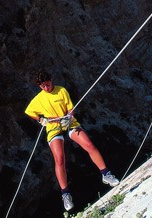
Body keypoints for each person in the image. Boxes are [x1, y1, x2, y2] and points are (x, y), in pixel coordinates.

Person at [25, 70, 120, 212]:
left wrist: (69, 117)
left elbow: (70, 108)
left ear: (51, 80)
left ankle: (106, 174)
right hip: (53, 128)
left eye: (48, 84)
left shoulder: (61, 90)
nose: (46, 88)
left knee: (89, 145)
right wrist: (40, 119)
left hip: (68, 123)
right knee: (60, 159)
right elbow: (29, 111)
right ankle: (65, 194)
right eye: (43, 86)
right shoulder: (38, 99)